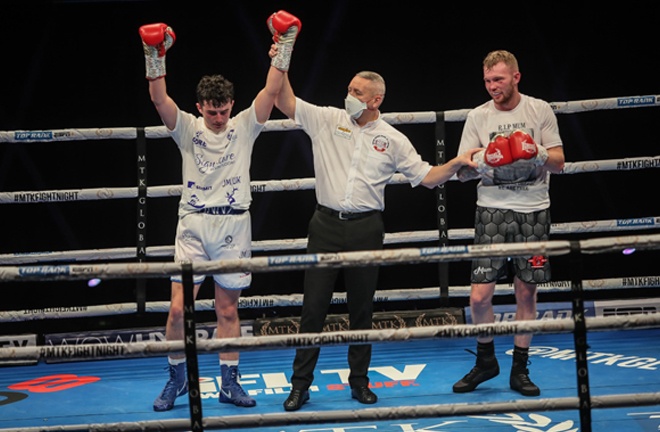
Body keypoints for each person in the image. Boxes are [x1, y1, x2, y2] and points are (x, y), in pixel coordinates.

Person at [272, 50, 481, 409]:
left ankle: (359, 383)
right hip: (323, 225)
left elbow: (427, 177)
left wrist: (456, 164)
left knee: (361, 311)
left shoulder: (392, 139)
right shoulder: (327, 119)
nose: (349, 96)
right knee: (313, 310)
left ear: (375, 99)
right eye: (349, 89)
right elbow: (283, 99)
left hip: (366, 229)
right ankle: (299, 386)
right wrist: (283, 56)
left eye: (357, 92)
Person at [139, 11, 301, 412]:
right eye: (210, 111)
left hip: (233, 223)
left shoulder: (245, 124)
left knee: (227, 308)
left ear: (231, 104)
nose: (217, 117)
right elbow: (159, 98)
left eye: (222, 109)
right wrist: (152, 55)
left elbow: (271, 89)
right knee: (179, 308)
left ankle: (230, 381)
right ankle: (176, 377)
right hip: (193, 225)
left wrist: (284, 46)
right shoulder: (188, 128)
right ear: (200, 107)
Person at [453, 49, 565, 397]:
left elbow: (559, 163)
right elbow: (461, 171)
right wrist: (486, 162)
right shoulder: (477, 116)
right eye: (487, 81)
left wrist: (537, 152)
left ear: (516, 77)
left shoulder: (539, 109)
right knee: (479, 296)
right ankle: (486, 360)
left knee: (525, 291)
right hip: (492, 211)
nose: (492, 87)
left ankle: (520, 367)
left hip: (534, 211)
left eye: (498, 79)